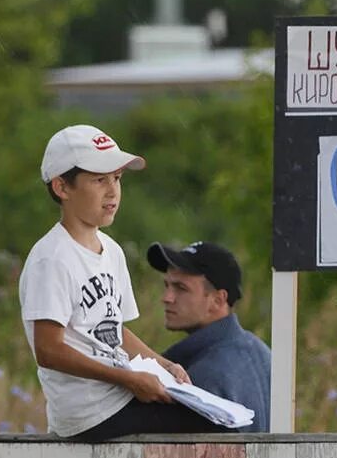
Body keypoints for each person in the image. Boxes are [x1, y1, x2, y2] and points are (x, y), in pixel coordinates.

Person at [18, 124, 223, 440]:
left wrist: (165, 365)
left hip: (117, 397)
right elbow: (48, 349)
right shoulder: (52, 258)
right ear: (62, 187)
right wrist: (127, 380)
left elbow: (114, 331)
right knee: (205, 427)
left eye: (117, 178)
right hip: (88, 413)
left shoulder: (111, 251)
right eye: (99, 180)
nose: (113, 191)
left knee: (216, 417)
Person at [147, 240, 271, 432]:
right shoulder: (261, 352)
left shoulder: (201, 375)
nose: (167, 297)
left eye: (180, 288)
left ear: (218, 300)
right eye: (167, 286)